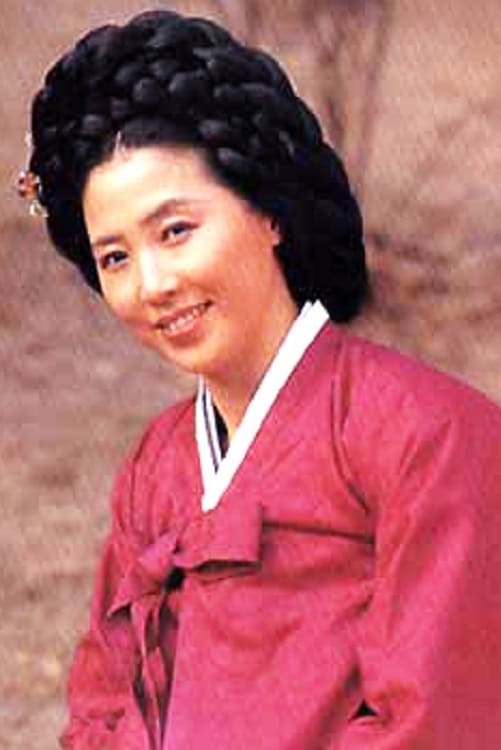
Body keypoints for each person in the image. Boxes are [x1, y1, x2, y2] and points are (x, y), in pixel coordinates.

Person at [20, 8, 501, 750]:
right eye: (115, 257)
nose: (152, 284)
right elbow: (103, 706)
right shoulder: (155, 469)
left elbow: (436, 721)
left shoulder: (426, 433)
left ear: (269, 211)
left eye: (175, 231)